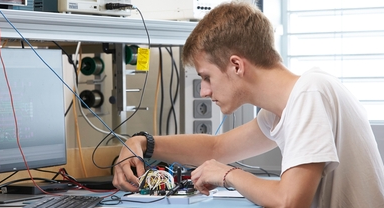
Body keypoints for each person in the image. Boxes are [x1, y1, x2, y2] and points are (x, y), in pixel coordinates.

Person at [113, 2, 384, 207]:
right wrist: (141, 143)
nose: (204, 91)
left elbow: (290, 201)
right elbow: (216, 147)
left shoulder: (309, 93)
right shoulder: (282, 109)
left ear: (236, 66)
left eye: (206, 77)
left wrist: (228, 174)